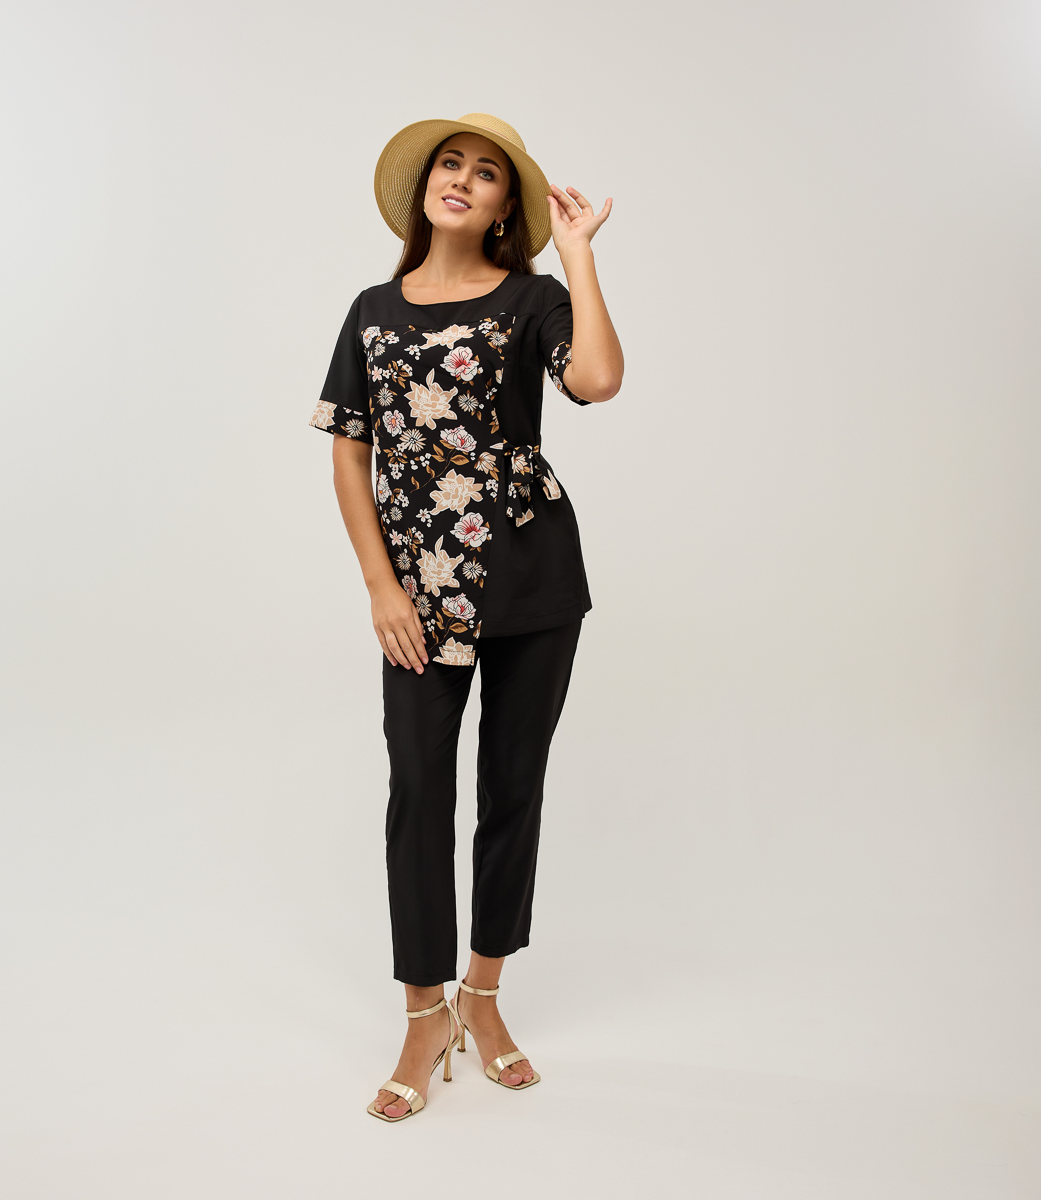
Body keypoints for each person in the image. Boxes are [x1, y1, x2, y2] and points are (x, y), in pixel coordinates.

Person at [309, 113, 623, 1122]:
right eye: (451, 164)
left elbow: (598, 380)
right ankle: (422, 1014)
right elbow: (349, 449)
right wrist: (380, 584)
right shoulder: (371, 311)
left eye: (487, 174)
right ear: (426, 188)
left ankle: (482, 998)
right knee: (417, 791)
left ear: (502, 209)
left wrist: (575, 255)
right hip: (418, 593)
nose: (463, 179)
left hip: (533, 579)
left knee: (510, 789)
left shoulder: (533, 298)